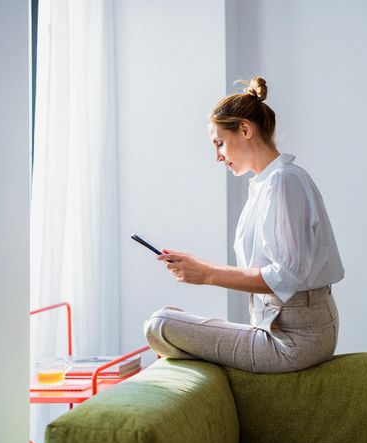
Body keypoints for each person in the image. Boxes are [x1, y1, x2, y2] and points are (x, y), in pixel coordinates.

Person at [143, 76, 344, 373]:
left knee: (160, 324)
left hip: (295, 339)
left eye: (219, 143)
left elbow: (286, 275)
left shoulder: (284, 181)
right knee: (169, 319)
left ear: (246, 129)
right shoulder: (266, 184)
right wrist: (201, 266)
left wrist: (208, 274)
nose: (217, 156)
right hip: (277, 327)